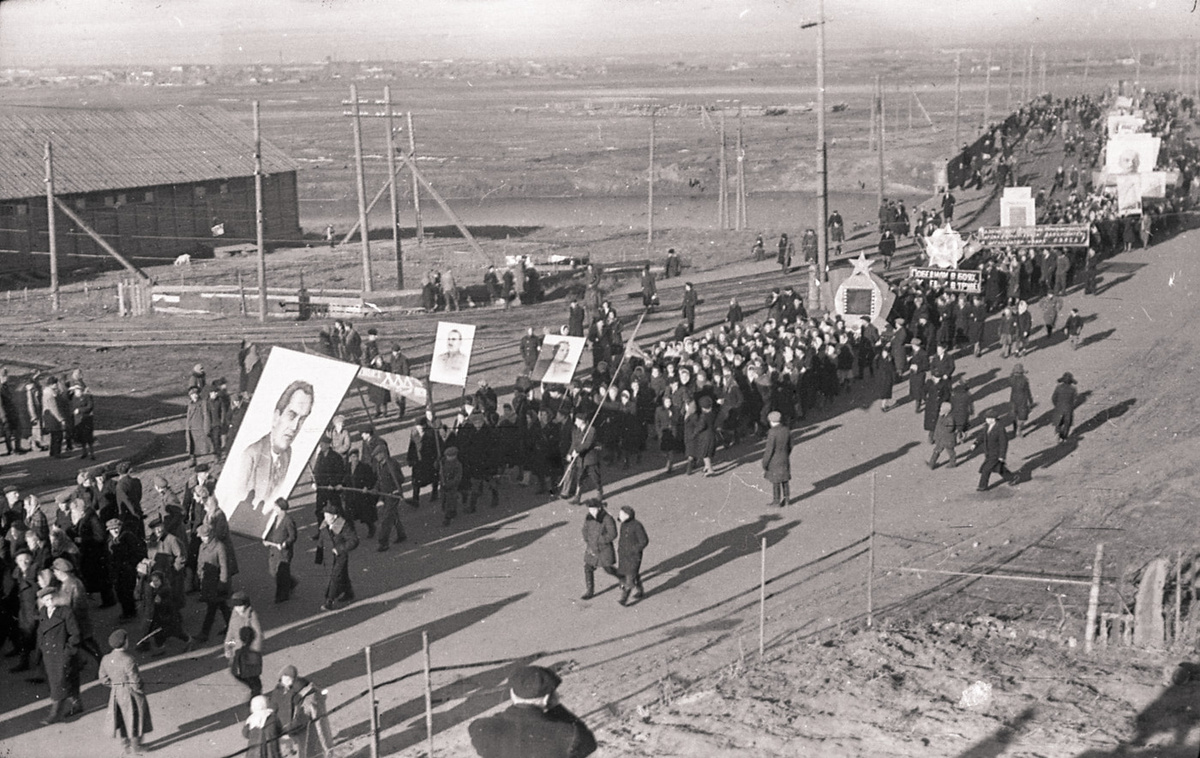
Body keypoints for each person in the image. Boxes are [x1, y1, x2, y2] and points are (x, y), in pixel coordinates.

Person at [468, 665, 597, 758]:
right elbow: (589, 745)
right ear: (548, 698)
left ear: (512, 694)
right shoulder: (569, 733)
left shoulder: (482, 727)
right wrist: (557, 708)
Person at [235, 380, 315, 512]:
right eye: (292, 415)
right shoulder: (252, 454)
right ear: (276, 416)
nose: (295, 427)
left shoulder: (287, 453)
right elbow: (237, 495)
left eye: (302, 419)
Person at [98, 628, 152, 755]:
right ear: (124, 642)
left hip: (116, 693)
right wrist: (139, 690)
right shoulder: (128, 659)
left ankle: (125, 745)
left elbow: (103, 678)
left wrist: (115, 685)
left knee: (121, 718)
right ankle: (136, 746)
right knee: (135, 719)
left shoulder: (106, 658)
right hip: (131, 694)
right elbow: (135, 680)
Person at [37, 585, 81, 724]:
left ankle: (55, 714)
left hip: (61, 653)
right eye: (46, 600)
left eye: (52, 599)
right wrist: (42, 647)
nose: (49, 602)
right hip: (50, 654)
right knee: (63, 681)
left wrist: (67, 652)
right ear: (43, 602)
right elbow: (41, 632)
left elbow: (75, 634)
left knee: (59, 683)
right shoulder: (43, 612)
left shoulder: (65, 612)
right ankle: (76, 704)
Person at [270, 664, 332, 758]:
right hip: (288, 725)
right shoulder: (279, 690)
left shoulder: (299, 688)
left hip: (297, 724)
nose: (286, 681)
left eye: (289, 678)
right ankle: (290, 749)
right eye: (285, 677)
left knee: (305, 743)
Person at [194, 523, 233, 643]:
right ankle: (233, 627)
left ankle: (204, 633)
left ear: (210, 535)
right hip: (207, 582)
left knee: (212, 608)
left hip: (216, 583)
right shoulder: (202, 546)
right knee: (222, 606)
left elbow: (224, 566)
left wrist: (222, 583)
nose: (202, 538)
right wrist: (199, 575)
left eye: (204, 536)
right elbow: (200, 562)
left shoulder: (219, 546)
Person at [318, 506, 358, 612]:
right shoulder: (325, 524)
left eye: (327, 515)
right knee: (342, 574)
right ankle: (349, 592)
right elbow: (322, 539)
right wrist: (319, 555)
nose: (325, 517)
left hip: (340, 556)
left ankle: (329, 601)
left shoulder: (343, 525)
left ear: (335, 517)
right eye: (324, 515)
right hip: (329, 556)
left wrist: (339, 549)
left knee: (335, 577)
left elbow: (353, 540)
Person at [580, 499, 620, 601]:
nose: (591, 512)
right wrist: (587, 539)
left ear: (599, 508)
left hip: (604, 549)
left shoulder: (607, 519)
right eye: (590, 509)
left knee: (608, 568)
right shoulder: (588, 518)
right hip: (592, 548)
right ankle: (590, 591)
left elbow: (613, 534)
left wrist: (600, 540)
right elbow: (585, 529)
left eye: (593, 510)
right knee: (588, 567)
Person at [261, 498, 298, 604]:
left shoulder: (288, 520)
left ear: (280, 508)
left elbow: (293, 536)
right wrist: (267, 539)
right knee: (273, 571)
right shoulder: (277, 517)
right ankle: (291, 583)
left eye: (275, 506)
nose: (274, 508)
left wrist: (286, 543)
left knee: (281, 573)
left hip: (283, 551)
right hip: (274, 549)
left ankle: (282, 596)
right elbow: (272, 531)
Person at [564, 412, 602, 504]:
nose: (575, 422)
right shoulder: (575, 431)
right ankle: (578, 497)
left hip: (590, 458)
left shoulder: (591, 430)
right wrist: (569, 453)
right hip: (581, 460)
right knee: (580, 478)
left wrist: (577, 450)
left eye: (577, 420)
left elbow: (587, 444)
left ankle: (599, 492)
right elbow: (573, 444)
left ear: (582, 421)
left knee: (595, 477)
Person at [615, 506, 648, 606]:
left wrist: (634, 550)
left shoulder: (637, 526)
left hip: (633, 557)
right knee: (632, 574)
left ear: (627, 516)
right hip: (624, 555)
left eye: (621, 514)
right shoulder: (624, 524)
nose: (619, 515)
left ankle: (623, 599)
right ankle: (640, 590)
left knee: (629, 578)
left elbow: (644, 541)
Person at [976, 411, 1017, 491]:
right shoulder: (987, 427)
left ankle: (982, 486)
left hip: (996, 453)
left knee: (986, 469)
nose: (986, 420)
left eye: (988, 418)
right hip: (989, 452)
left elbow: (1003, 443)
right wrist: (975, 443)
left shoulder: (1000, 428)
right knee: (998, 468)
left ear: (993, 419)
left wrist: (1002, 456)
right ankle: (1012, 477)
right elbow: (982, 436)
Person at [761, 410, 792, 507]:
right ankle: (787, 499)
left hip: (774, 460)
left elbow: (769, 450)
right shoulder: (786, 429)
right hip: (784, 458)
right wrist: (786, 454)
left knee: (776, 481)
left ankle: (776, 501)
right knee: (785, 479)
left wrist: (765, 462)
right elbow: (790, 445)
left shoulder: (772, 432)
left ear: (771, 421)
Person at [1051, 372, 1078, 443]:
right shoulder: (1073, 389)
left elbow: (1054, 398)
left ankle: (1057, 433)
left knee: (1058, 421)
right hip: (1068, 408)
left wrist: (1056, 405)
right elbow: (1075, 399)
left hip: (1059, 407)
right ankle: (1064, 437)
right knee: (1067, 423)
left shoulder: (1058, 387)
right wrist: (1071, 406)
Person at [1009, 363, 1035, 437]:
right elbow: (1027, 391)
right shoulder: (1024, 380)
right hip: (1022, 399)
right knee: (1023, 416)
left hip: (1013, 398)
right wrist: (1031, 401)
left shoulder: (1011, 379)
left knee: (1015, 414)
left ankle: (1015, 428)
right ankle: (1019, 429)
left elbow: (1010, 379)